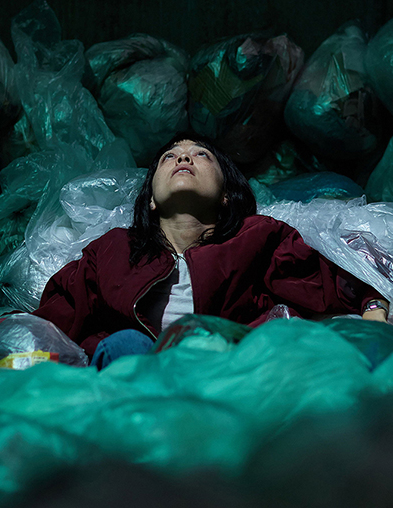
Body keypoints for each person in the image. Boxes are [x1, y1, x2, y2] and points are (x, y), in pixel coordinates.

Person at [33, 133, 389, 368]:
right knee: (125, 345)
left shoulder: (257, 238)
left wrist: (373, 308)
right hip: (135, 381)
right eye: (169, 157)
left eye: (200, 154)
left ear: (225, 194)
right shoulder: (112, 250)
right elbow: (53, 319)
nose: (183, 159)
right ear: (151, 200)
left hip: (228, 373)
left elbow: (329, 281)